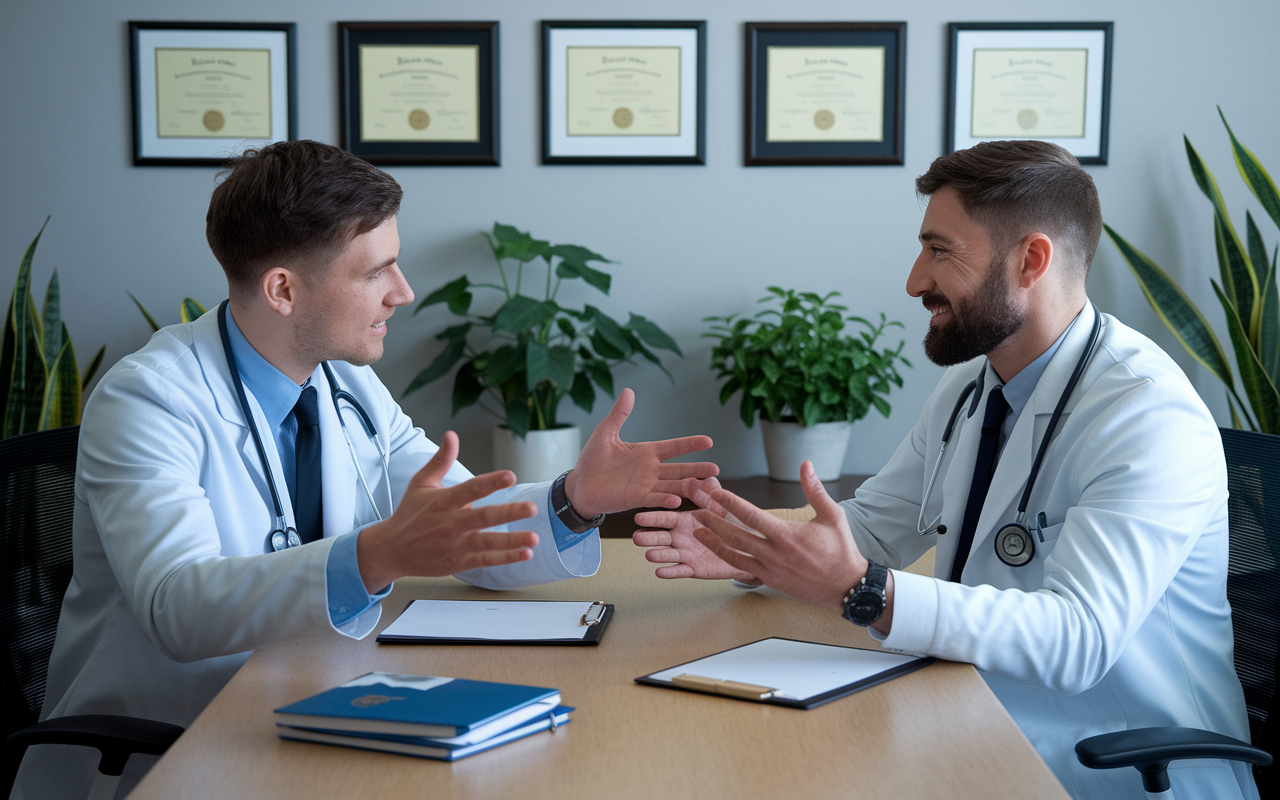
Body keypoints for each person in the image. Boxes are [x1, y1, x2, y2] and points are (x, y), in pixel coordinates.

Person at [13, 140, 717, 800]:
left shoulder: (343, 384)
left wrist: (574, 500)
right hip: (170, 750)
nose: (403, 292)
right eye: (374, 270)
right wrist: (377, 555)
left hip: (312, 707)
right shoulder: (148, 399)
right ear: (284, 290)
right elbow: (177, 607)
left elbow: (456, 524)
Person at [634, 140, 1257, 799]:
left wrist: (863, 590)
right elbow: (876, 525)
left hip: (1113, 768)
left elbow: (1077, 640)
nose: (913, 281)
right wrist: (752, 551)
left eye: (941, 251)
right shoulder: (972, 389)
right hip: (974, 722)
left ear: (1031, 260)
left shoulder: (1146, 415)